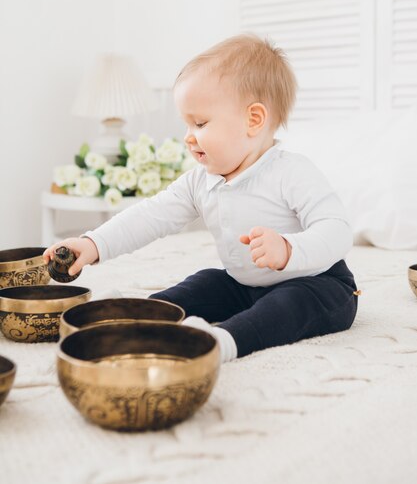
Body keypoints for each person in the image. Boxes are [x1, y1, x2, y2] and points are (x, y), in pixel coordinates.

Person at [43, 34, 358, 362]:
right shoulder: (201, 180)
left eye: (201, 123)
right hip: (245, 285)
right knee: (206, 282)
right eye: (186, 123)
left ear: (253, 120)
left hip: (319, 283)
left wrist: (289, 250)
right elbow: (152, 215)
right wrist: (94, 244)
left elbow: (337, 230)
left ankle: (221, 341)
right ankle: (136, 315)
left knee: (288, 305)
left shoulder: (290, 171)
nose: (188, 136)